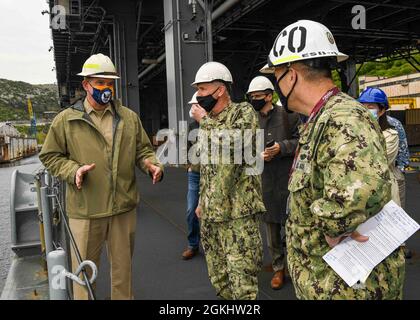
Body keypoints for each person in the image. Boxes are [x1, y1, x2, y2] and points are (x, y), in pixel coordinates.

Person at [260, 19, 405, 299]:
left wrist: (333, 225)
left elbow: (356, 194)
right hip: (327, 281)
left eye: (276, 74)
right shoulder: (319, 119)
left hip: (345, 287)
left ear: (290, 75)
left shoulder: (343, 118)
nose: (276, 82)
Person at [39, 53, 163, 300]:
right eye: (100, 83)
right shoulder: (66, 120)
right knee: (84, 274)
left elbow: (143, 149)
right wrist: (73, 170)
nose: (106, 89)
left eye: (109, 83)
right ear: (86, 85)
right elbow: (50, 156)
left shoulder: (128, 118)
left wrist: (151, 164)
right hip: (85, 211)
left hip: (122, 208)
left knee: (123, 274)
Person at [190, 61, 266, 300]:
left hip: (238, 216)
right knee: (219, 280)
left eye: (203, 89)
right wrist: (202, 201)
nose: (199, 96)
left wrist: (205, 122)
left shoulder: (243, 113)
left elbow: (234, 147)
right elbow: (208, 169)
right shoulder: (208, 122)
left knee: (242, 285)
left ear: (220, 89)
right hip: (211, 215)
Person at [246, 76, 300, 289]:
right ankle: (279, 269)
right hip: (265, 182)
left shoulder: (289, 115)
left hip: (287, 180)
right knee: (272, 232)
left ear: (269, 96)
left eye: (257, 96)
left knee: (293, 229)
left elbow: (301, 142)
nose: (254, 100)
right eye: (251, 97)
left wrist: (281, 147)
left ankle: (296, 268)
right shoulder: (250, 120)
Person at [358, 87, 401, 205]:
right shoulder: (354, 132)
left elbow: (377, 164)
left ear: (381, 111)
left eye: (370, 107)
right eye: (362, 106)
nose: (365, 110)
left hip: (383, 193)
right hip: (360, 193)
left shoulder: (390, 135)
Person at [182, 92, 201, 260]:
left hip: (214, 176)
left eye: (196, 105)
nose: (193, 108)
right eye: (192, 105)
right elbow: (188, 147)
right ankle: (193, 244)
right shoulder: (192, 126)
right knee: (191, 210)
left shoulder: (215, 124)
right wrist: (189, 166)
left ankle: (214, 245)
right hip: (195, 174)